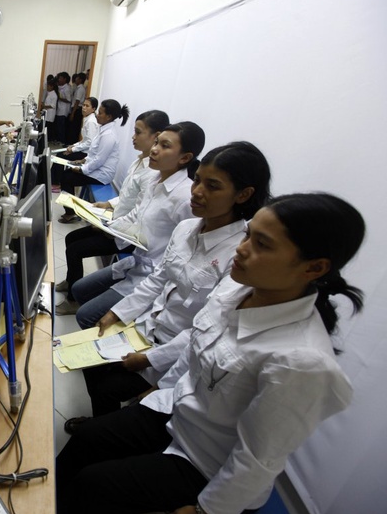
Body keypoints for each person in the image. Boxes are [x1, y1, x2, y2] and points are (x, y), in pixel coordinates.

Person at [56, 192, 364, 514]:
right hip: (176, 412)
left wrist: (204, 510)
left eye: (263, 244)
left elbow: (256, 459)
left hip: (205, 463)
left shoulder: (302, 362)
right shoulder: (238, 288)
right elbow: (196, 345)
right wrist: (159, 391)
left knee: (93, 486)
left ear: (314, 267)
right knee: (86, 441)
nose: (242, 250)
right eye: (248, 235)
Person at [66, 141, 271, 428]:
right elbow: (158, 279)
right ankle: (103, 419)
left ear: (243, 194)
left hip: (174, 352)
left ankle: (108, 425)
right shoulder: (187, 228)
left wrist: (150, 359)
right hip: (148, 329)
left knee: (107, 385)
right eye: (197, 180)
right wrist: (119, 313)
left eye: (212, 186)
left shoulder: (239, 256)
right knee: (91, 359)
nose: (196, 191)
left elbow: (207, 330)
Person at [63, 122, 206, 327]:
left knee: (85, 315)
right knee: (79, 289)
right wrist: (107, 226)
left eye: (165, 146)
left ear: (185, 158)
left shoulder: (184, 198)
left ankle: (104, 339)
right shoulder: (156, 179)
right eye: (157, 143)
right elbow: (135, 215)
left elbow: (181, 257)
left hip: (152, 273)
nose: (155, 149)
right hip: (137, 261)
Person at [55, 110, 169, 307]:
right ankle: (71, 281)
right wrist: (108, 205)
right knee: (70, 237)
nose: (133, 137)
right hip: (116, 222)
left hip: (127, 235)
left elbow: (139, 213)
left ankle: (74, 301)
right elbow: (127, 196)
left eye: (138, 132)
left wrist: (109, 227)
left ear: (156, 136)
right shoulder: (139, 160)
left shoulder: (153, 172)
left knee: (75, 249)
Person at [58, 99, 130, 224]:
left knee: (66, 177)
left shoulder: (109, 135)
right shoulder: (103, 129)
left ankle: (71, 213)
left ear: (109, 117)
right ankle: (71, 211)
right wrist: (82, 160)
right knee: (67, 174)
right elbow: (93, 152)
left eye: (100, 113)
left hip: (102, 174)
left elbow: (99, 160)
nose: (97, 115)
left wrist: (81, 169)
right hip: (96, 169)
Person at [68, 73, 87, 144]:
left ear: (80, 79)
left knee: (74, 127)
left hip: (77, 109)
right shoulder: (78, 88)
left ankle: (72, 143)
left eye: (77, 78)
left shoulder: (80, 89)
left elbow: (77, 101)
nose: (75, 79)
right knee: (73, 127)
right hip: (76, 109)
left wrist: (72, 113)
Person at [54, 72, 73, 144]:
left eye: (60, 78)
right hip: (59, 110)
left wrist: (59, 98)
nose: (59, 79)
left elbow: (69, 100)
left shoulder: (67, 88)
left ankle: (62, 141)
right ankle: (58, 140)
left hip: (63, 111)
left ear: (65, 79)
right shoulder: (60, 86)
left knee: (61, 127)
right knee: (58, 126)